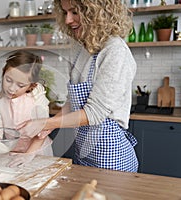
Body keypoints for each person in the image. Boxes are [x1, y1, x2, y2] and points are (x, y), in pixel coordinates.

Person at [18, 0, 138, 172]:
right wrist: (50, 125)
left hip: (113, 160)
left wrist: (46, 123)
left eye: (74, 12)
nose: (67, 20)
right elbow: (73, 103)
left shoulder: (115, 51)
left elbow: (94, 113)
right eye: (65, 12)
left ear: (97, 12)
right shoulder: (80, 49)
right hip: (84, 154)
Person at [0, 50, 53, 166]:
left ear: (31, 85)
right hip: (12, 152)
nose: (12, 89)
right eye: (8, 80)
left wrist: (27, 156)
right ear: (3, 73)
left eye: (20, 85)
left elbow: (41, 133)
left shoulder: (37, 97)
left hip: (37, 152)